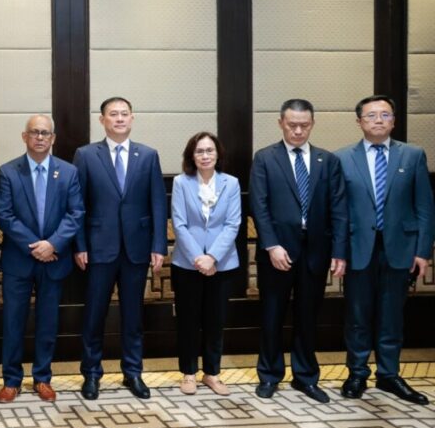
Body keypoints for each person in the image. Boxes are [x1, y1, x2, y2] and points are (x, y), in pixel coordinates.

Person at [335, 95, 433, 405]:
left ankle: (389, 375)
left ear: (394, 121)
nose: (378, 120)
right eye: (371, 115)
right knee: (357, 316)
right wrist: (338, 252)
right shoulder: (342, 158)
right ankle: (357, 373)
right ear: (359, 122)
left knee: (392, 316)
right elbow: (338, 212)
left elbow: (424, 207)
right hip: (357, 249)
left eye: (385, 115)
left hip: (400, 249)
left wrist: (423, 251)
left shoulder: (412, 155)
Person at [250, 98, 348, 403]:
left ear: (312, 124)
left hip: (315, 251)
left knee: (308, 316)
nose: (298, 131)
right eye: (292, 125)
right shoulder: (265, 158)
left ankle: (305, 377)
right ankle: (269, 375)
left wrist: (339, 252)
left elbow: (339, 208)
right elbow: (259, 205)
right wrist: (271, 245)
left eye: (304, 125)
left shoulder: (327, 160)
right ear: (281, 123)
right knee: (272, 315)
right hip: (276, 252)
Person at [72, 96, 167, 400]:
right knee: (94, 315)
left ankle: (133, 372)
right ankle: (91, 374)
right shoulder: (86, 155)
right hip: (98, 249)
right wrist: (80, 244)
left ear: (132, 118)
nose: (119, 118)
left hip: (136, 249)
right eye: (113, 114)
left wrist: (159, 245)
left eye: (124, 113)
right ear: (102, 120)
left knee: (133, 316)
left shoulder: (148, 155)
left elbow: (157, 202)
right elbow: (77, 204)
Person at [0, 115, 84, 403]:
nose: (40, 137)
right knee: (13, 322)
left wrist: (53, 244)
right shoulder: (9, 171)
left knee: (48, 321)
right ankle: (11, 380)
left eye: (45, 133)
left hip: (54, 258)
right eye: (34, 132)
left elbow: (75, 213)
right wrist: (34, 246)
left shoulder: (68, 172)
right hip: (19, 259)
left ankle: (42, 377)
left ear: (53, 138)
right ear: (24, 137)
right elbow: (4, 215)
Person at [170, 132, 241, 396]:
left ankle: (212, 373)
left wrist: (212, 257)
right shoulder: (181, 182)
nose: (205, 155)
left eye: (210, 150)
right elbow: (179, 223)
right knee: (188, 319)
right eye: (199, 151)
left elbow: (233, 223)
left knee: (215, 320)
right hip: (187, 263)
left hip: (221, 263)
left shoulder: (231, 183)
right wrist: (198, 258)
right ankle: (188, 373)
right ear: (192, 156)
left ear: (218, 154)